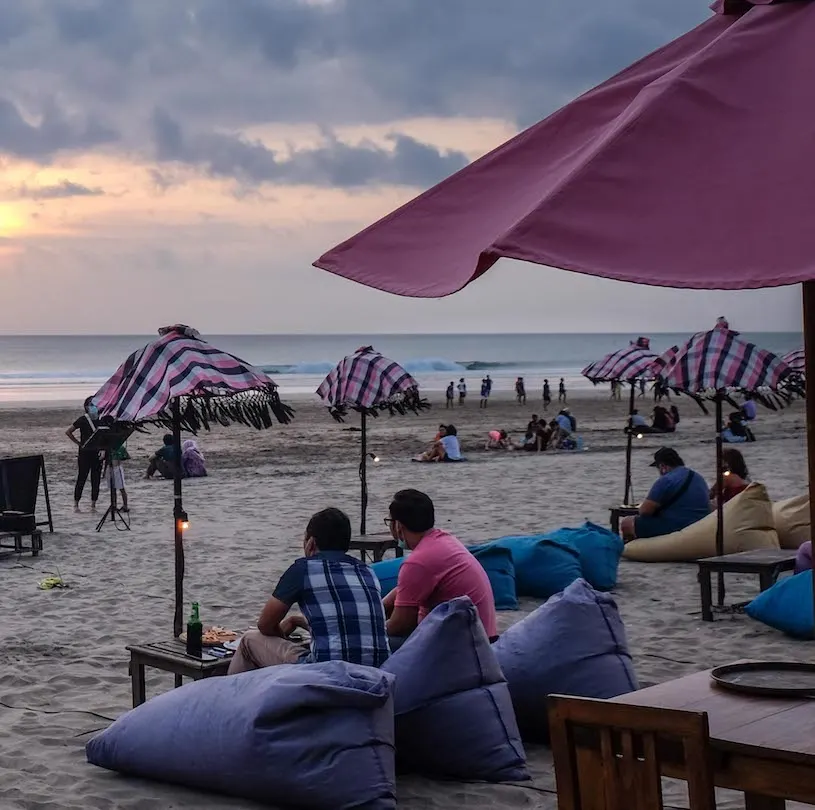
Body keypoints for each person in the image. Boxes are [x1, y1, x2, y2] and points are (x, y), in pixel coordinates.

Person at [228, 507, 389, 673]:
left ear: (311, 542)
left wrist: (281, 637)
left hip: (324, 673)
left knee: (248, 640)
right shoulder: (367, 571)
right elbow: (347, 622)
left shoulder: (303, 570)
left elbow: (265, 625)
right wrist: (297, 621)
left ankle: (229, 696)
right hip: (376, 673)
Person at [383, 489, 497, 649]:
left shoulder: (418, 561)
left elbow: (400, 624)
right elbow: (408, 589)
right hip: (483, 637)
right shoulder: (443, 540)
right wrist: (381, 605)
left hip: (464, 648)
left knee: (375, 645)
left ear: (398, 526)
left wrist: (373, 631)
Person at [620, 448, 710, 541]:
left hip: (678, 525)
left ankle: (631, 551)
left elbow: (645, 511)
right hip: (701, 524)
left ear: (662, 466)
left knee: (627, 523)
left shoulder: (666, 480)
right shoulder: (697, 477)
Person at [66, 396, 103, 513]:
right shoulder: (82, 419)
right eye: (92, 404)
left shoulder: (101, 419)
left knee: (95, 479)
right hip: (85, 453)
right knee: (82, 477)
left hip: (97, 453)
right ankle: (76, 504)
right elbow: (68, 431)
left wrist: (104, 449)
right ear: (86, 407)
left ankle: (93, 504)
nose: (94, 407)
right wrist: (78, 443)